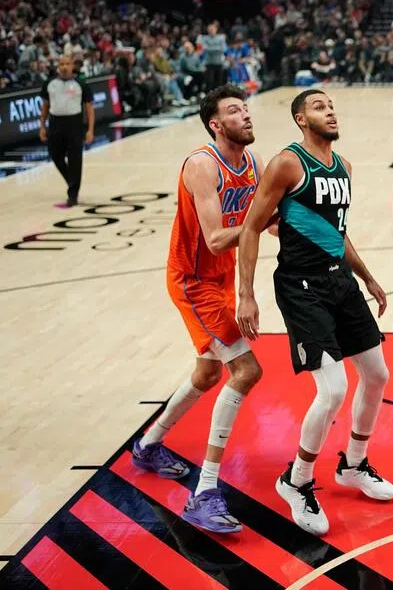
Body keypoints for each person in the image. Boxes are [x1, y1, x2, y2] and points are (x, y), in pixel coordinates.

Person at [236, 89, 393, 537]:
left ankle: (355, 465)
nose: (330, 111)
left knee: (377, 374)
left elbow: (336, 233)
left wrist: (367, 277)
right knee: (332, 390)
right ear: (300, 119)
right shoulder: (287, 163)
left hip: (340, 282)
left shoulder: (343, 168)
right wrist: (245, 294)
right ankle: (296, 480)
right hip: (301, 286)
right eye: (320, 107)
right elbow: (251, 227)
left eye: (332, 106)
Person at [133, 85, 265, 534]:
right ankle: (204, 491)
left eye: (246, 109)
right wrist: (263, 217)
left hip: (223, 278)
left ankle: (149, 446)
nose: (245, 115)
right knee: (246, 372)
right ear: (215, 123)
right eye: (234, 110)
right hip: (193, 281)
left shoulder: (254, 163)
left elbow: (266, 228)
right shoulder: (202, 165)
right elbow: (215, 237)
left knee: (208, 375)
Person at [37, 55, 94, 208]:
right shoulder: (50, 84)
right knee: (55, 155)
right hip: (55, 123)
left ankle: (73, 194)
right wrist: (42, 126)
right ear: (57, 66)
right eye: (61, 64)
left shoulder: (80, 84)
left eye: (67, 64)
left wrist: (90, 130)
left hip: (74, 124)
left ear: (72, 66)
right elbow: (45, 107)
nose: (64, 67)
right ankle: (71, 181)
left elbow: (89, 108)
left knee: (75, 159)